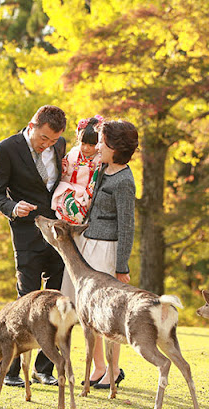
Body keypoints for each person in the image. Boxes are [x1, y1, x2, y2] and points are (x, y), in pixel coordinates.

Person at [0, 105, 67, 387]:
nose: (48, 145)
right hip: (26, 235)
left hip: (57, 235)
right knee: (25, 302)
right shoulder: (6, 149)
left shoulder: (61, 145)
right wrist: (12, 207)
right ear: (32, 125)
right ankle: (9, 371)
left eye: (53, 141)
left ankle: (44, 369)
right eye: (44, 138)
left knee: (55, 301)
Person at [62, 119, 139, 389]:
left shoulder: (124, 181)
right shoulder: (102, 169)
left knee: (106, 312)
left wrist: (122, 266)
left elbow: (127, 226)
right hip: (86, 244)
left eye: (103, 142)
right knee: (86, 311)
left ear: (115, 147)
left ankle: (113, 370)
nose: (99, 146)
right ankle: (98, 367)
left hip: (106, 251)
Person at [51, 115, 103, 225]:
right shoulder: (73, 154)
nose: (86, 148)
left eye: (91, 145)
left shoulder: (99, 159)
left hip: (87, 191)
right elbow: (64, 174)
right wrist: (63, 169)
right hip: (70, 187)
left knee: (82, 210)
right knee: (67, 202)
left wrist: (88, 196)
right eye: (83, 143)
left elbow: (95, 181)